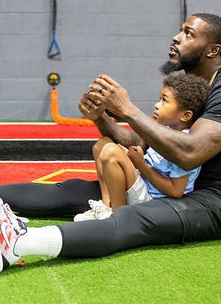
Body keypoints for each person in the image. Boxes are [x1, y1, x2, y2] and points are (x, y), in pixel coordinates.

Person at [0, 13, 221, 274]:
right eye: (180, 29)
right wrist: (102, 118)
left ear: (212, 50)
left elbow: (189, 154)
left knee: (131, 220)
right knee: (71, 191)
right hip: (165, 184)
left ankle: (16, 244)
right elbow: (142, 143)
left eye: (189, 33)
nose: (176, 37)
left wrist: (128, 108)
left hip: (216, 203)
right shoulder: (187, 88)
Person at [75, 74, 210, 221]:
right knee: (102, 144)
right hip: (142, 184)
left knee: (111, 152)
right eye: (159, 99)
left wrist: (140, 163)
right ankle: (106, 207)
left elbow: (176, 191)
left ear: (185, 115)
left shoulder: (184, 144)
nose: (157, 105)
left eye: (164, 101)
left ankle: (118, 218)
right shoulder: (161, 128)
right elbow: (130, 138)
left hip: (154, 201)